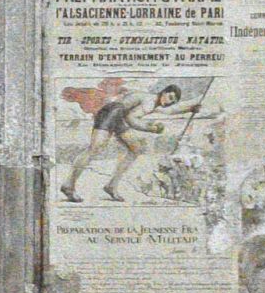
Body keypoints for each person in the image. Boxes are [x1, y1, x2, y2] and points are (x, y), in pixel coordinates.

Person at [59, 80, 188, 203]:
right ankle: (68, 185)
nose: (169, 102)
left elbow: (172, 110)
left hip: (118, 116)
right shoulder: (149, 101)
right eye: (170, 97)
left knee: (136, 148)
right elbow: (131, 120)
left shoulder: (154, 102)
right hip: (110, 113)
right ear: (164, 92)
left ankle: (111, 185)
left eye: (172, 101)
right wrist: (151, 128)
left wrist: (191, 108)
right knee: (94, 149)